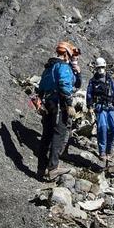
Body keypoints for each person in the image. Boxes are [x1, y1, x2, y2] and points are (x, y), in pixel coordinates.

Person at [36, 41, 78, 181]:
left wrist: (39, 101)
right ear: (66, 54)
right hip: (59, 104)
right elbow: (64, 84)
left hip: (48, 103)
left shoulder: (48, 68)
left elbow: (41, 87)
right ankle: (53, 168)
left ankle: (41, 168)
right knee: (59, 134)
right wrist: (69, 103)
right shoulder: (63, 66)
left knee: (46, 135)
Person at [86, 58, 114, 165]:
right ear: (96, 68)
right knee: (102, 128)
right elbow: (89, 94)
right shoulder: (93, 81)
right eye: (99, 67)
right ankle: (102, 151)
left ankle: (110, 149)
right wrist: (90, 106)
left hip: (111, 106)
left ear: (105, 67)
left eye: (102, 67)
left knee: (113, 128)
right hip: (100, 107)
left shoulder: (110, 80)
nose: (101, 69)